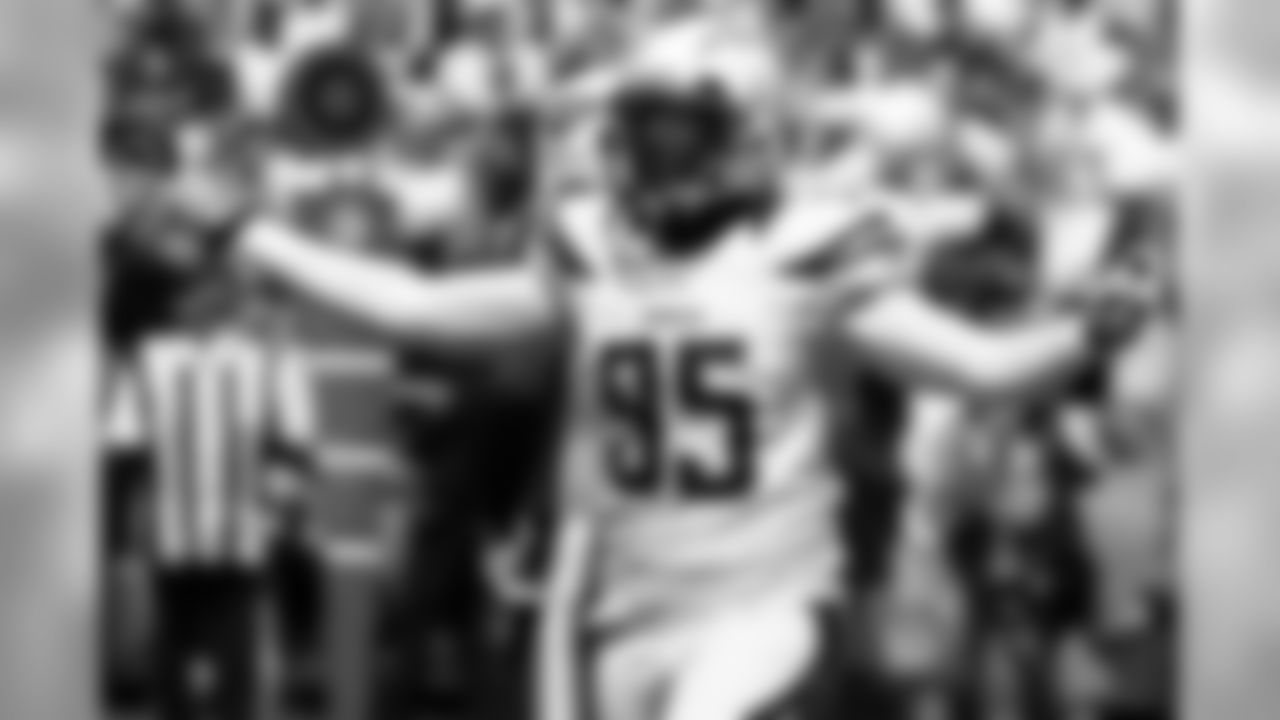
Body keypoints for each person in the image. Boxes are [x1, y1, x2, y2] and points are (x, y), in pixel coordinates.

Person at [158, 33, 1153, 720]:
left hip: (762, 609)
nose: (649, 154)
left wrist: (1090, 331)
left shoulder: (804, 253)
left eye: (677, 133)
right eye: (643, 129)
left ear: (746, 134)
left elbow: (981, 367)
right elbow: (416, 308)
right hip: (625, 613)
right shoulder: (593, 248)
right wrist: (251, 234)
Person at [105, 268, 317, 720]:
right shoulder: (148, 360)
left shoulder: (266, 360)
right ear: (175, 304)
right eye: (187, 295)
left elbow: (294, 443)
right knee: (173, 646)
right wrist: (130, 527)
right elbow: (126, 449)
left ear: (226, 300)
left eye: (208, 293)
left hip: (240, 529)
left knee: (233, 648)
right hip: (173, 528)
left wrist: (281, 504)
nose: (196, 305)